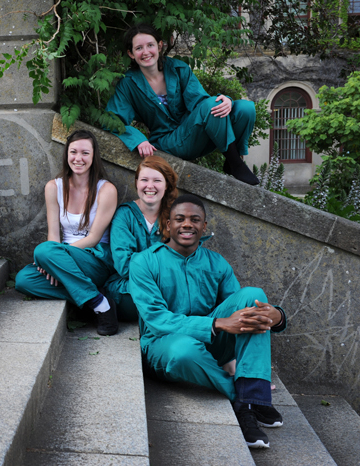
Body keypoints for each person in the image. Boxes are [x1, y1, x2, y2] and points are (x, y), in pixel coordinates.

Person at [128, 194, 287, 448]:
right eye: (179, 219)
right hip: (162, 344)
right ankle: (245, 399)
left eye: (195, 219)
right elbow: (157, 319)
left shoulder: (216, 263)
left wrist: (277, 316)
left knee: (253, 295)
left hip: (211, 344)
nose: (187, 224)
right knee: (183, 350)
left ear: (204, 227)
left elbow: (242, 309)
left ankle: (252, 396)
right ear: (167, 225)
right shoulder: (144, 262)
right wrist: (216, 324)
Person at [106, 24, 260, 185]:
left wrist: (226, 100)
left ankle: (233, 160)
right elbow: (112, 119)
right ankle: (237, 165)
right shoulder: (128, 83)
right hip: (168, 141)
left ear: (159, 46)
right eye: (139, 48)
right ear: (131, 53)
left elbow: (200, 102)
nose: (145, 52)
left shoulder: (179, 69)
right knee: (210, 106)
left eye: (150, 45)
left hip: (196, 134)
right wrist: (138, 139)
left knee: (245, 109)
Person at [15, 130, 119, 335]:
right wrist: (53, 262)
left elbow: (94, 238)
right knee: (23, 280)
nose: (78, 158)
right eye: (73, 152)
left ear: (93, 156)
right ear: (66, 154)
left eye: (85, 153)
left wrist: (55, 258)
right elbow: (53, 233)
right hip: (61, 256)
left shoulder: (106, 190)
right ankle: (96, 298)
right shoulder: (54, 187)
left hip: (95, 258)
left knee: (44, 252)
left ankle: (100, 306)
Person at [104, 155, 178, 321]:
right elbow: (124, 266)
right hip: (130, 289)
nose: (150, 186)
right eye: (144, 179)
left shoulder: (176, 216)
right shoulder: (124, 215)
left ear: (166, 185)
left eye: (157, 180)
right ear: (137, 183)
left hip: (167, 287)